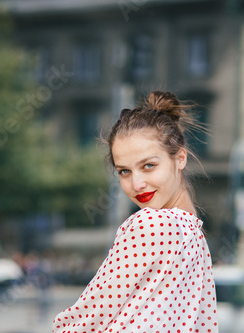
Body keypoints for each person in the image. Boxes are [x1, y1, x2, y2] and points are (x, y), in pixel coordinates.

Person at [52, 91, 218, 333]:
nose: (137, 183)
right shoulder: (194, 235)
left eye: (148, 166)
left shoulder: (151, 224)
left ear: (180, 158)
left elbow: (85, 321)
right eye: (124, 171)